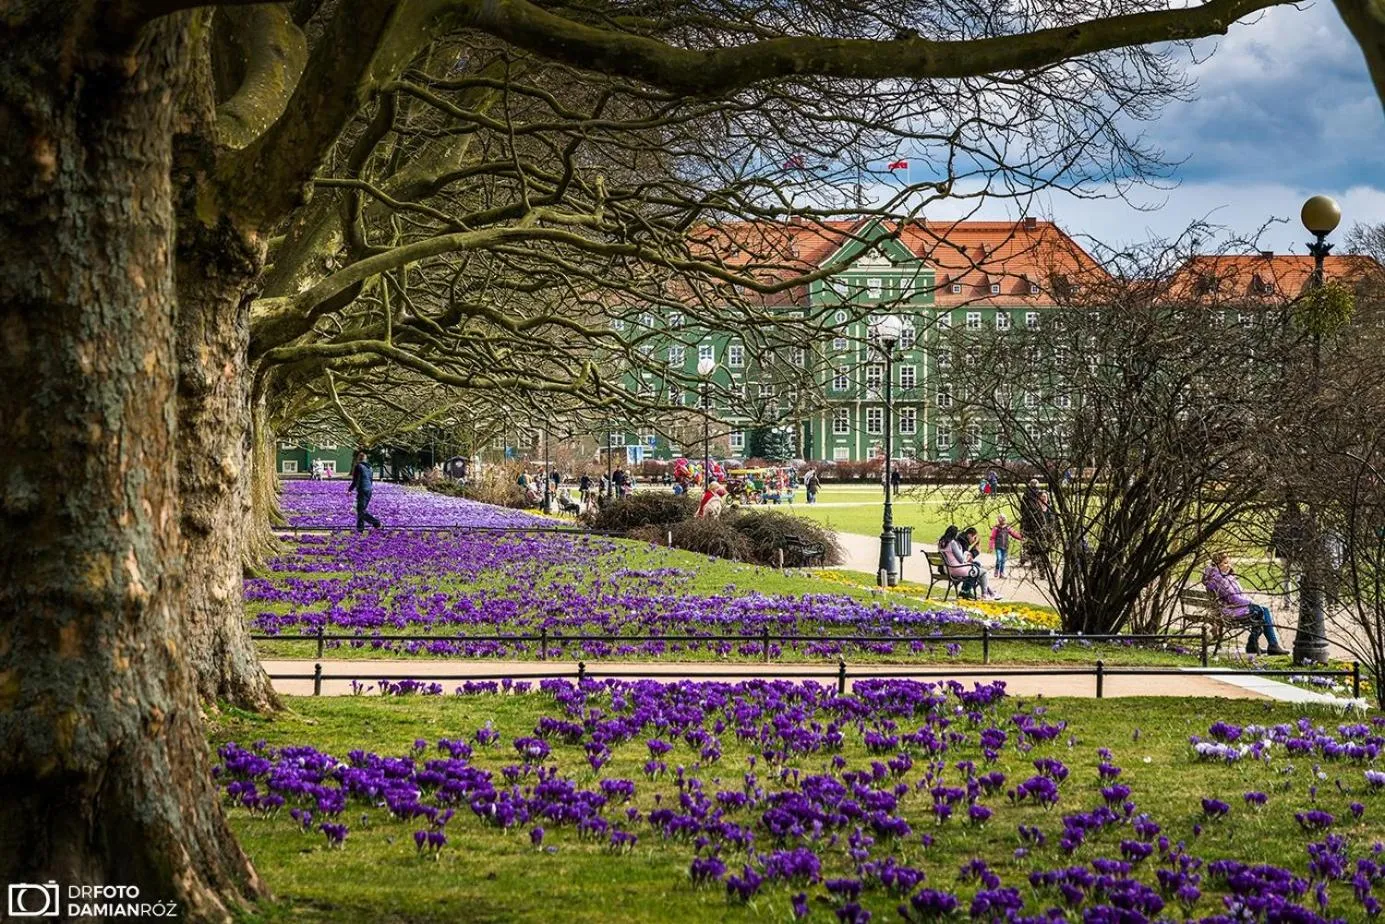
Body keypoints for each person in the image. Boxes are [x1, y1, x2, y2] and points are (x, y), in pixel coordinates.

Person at [1202, 551, 1287, 655]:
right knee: (1262, 611)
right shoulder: (1220, 579)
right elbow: (1233, 598)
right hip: (1230, 610)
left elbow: (1236, 596)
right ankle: (1271, 645)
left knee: (1260, 612)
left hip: (1231, 608)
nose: (1228, 565)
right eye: (1225, 563)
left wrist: (1250, 602)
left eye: (1229, 562)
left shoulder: (1222, 576)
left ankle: (1254, 645)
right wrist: (1251, 602)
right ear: (1217, 564)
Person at [347, 450, 382, 532]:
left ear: (358, 459)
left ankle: (376, 523)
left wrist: (350, 490)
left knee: (360, 511)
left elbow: (355, 480)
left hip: (362, 490)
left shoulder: (358, 466)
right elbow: (370, 479)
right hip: (369, 490)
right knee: (361, 510)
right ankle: (359, 529)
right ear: (365, 459)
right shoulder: (370, 467)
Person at [988, 514, 1024, 578]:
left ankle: (1001, 573)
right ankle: (996, 570)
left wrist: (1021, 538)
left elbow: (1014, 533)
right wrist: (991, 546)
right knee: (999, 559)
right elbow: (992, 538)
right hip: (998, 546)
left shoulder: (1007, 527)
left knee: (1003, 560)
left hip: (1005, 546)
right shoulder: (996, 528)